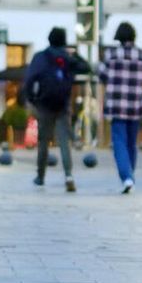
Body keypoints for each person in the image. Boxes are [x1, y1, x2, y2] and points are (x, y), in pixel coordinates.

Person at [22, 27, 89, 192]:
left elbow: (30, 79)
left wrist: (31, 99)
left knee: (43, 141)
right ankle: (68, 175)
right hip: (63, 104)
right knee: (64, 141)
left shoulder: (41, 57)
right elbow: (86, 67)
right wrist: (75, 54)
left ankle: (40, 176)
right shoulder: (67, 57)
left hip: (44, 104)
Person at [99, 21, 142, 193]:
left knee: (119, 142)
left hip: (116, 105)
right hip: (136, 105)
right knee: (131, 143)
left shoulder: (110, 54)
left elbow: (102, 75)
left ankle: (126, 177)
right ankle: (130, 176)